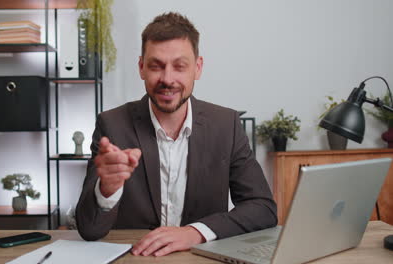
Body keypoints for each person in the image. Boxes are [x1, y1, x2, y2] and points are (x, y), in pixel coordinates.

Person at [76, 12, 277, 257]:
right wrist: (107, 189)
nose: (167, 79)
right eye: (155, 66)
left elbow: (262, 208)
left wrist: (195, 232)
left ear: (198, 68)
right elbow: (89, 229)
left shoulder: (226, 124)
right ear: (141, 68)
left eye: (180, 67)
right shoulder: (112, 125)